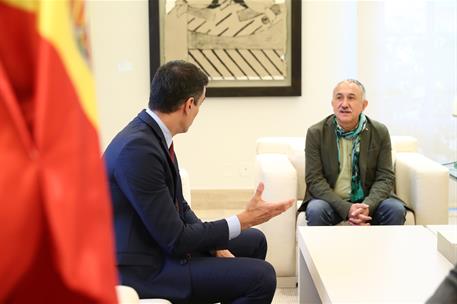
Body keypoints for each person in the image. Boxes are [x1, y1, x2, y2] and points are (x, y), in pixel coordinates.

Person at [103, 60, 294, 303]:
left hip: (157, 245)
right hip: (144, 268)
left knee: (254, 241)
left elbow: (179, 205)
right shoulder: (138, 150)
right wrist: (240, 220)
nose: (198, 112)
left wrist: (216, 243)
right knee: (262, 277)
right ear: (189, 105)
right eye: (200, 105)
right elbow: (176, 240)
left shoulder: (151, 134)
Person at [298, 79, 406, 226]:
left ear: (364, 105)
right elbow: (314, 180)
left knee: (395, 209)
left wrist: (366, 207)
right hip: (331, 202)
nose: (344, 104)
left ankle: (385, 249)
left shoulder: (379, 132)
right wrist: (347, 208)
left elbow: (385, 177)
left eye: (351, 98)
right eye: (339, 97)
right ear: (332, 103)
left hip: (369, 201)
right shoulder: (316, 133)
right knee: (316, 209)